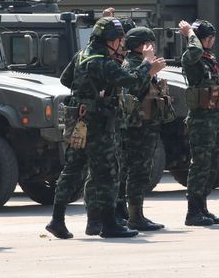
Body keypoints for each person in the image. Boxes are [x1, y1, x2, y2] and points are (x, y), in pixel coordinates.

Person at [45, 17, 165, 239]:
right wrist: (148, 64)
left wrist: (87, 91)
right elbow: (131, 81)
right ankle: (109, 224)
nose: (121, 44)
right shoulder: (103, 62)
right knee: (107, 172)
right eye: (119, 39)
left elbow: (66, 79)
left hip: (78, 119)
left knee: (72, 169)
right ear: (109, 40)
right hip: (98, 122)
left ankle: (57, 219)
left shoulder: (82, 55)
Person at [117, 26, 170, 231]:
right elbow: (130, 90)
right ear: (139, 45)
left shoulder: (141, 63)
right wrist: (150, 71)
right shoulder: (132, 64)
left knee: (138, 170)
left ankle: (128, 213)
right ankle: (135, 216)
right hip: (136, 127)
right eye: (149, 43)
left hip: (146, 125)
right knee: (138, 171)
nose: (152, 47)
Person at [179, 19, 219, 226]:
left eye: (210, 38)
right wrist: (190, 33)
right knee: (199, 166)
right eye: (204, 38)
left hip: (213, 119)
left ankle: (203, 208)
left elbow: (217, 91)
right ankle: (193, 211)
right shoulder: (192, 57)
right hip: (200, 121)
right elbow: (195, 51)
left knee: (211, 166)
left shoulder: (210, 59)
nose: (209, 41)